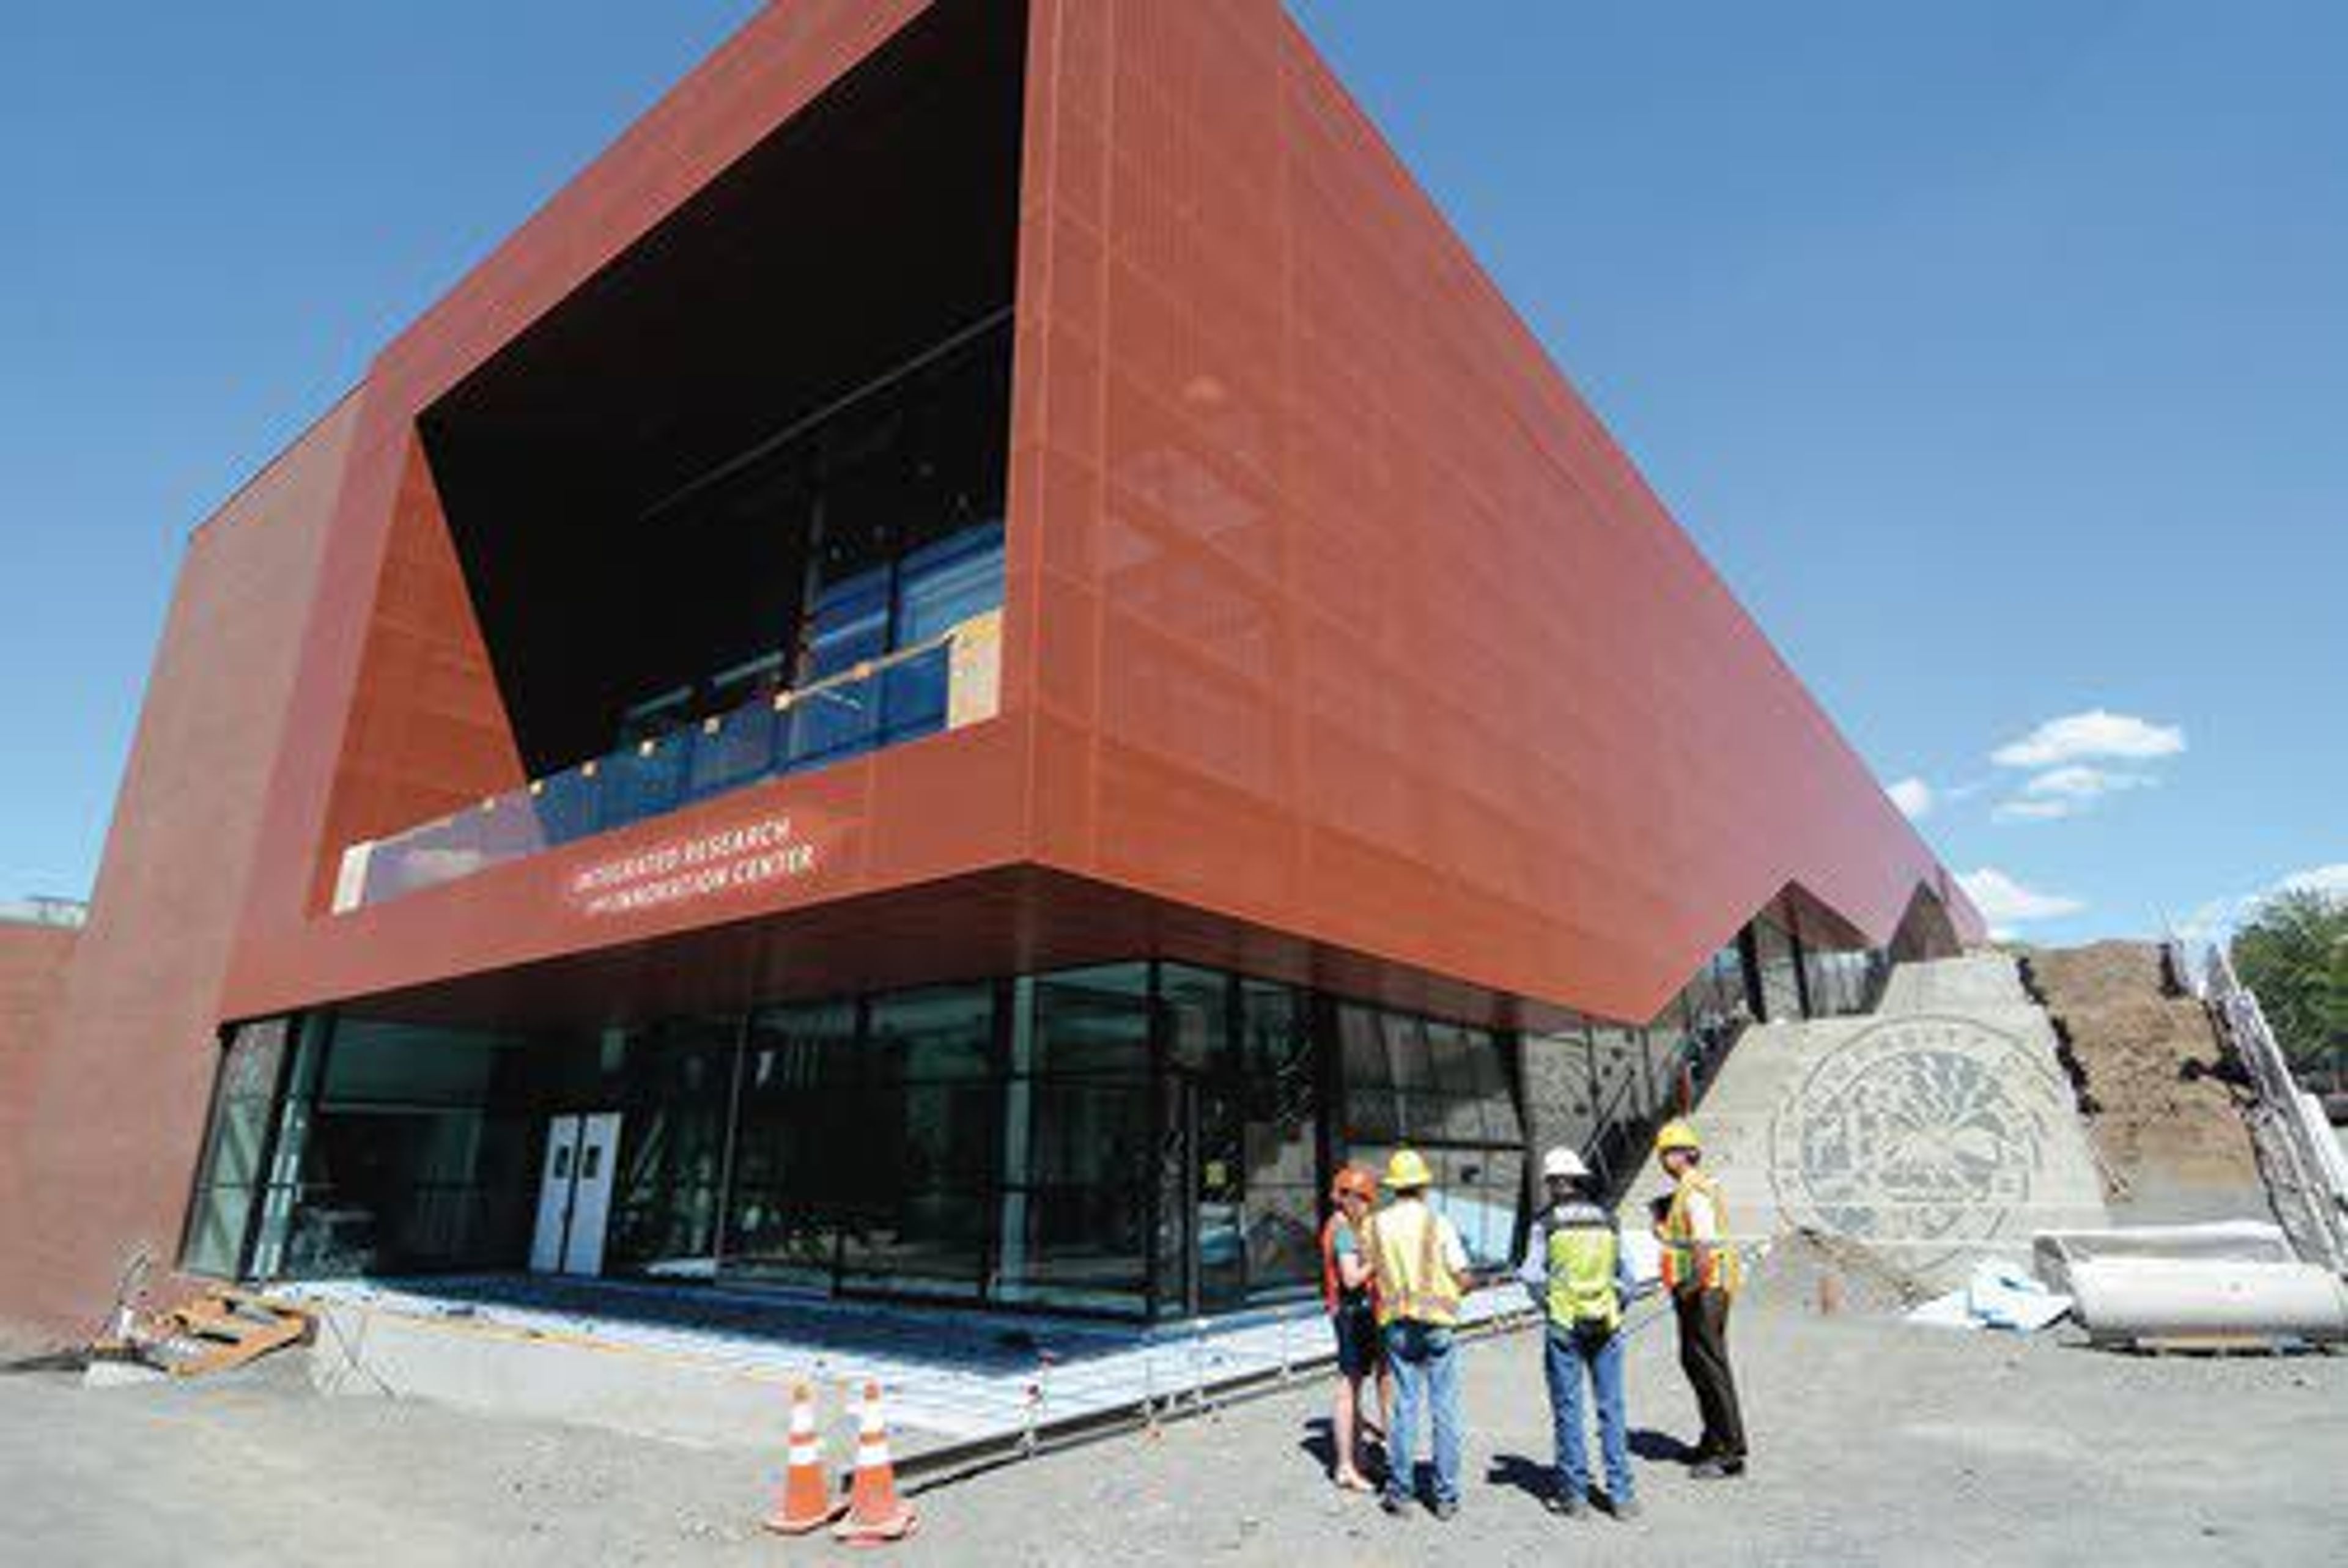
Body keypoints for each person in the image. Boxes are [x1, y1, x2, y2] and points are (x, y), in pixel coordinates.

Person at [1516, 1146, 1640, 1520]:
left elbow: (1532, 1276)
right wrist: (1614, 1306)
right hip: (1606, 1322)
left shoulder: (1545, 1223)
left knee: (1569, 1409)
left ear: (1553, 1182)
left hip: (1565, 1323)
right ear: (1580, 1179)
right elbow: (1628, 1279)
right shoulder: (1609, 1219)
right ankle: (1621, 1496)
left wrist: (1551, 1306)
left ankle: (1575, 1496)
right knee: (1612, 1408)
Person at [1362, 1147, 1473, 1520]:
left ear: (1395, 1187)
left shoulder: (1374, 1225)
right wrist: (1465, 1285)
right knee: (1444, 1408)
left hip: (1396, 1323)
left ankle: (1402, 1492)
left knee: (1404, 1408)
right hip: (1438, 1323)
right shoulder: (1437, 1222)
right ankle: (1445, 1497)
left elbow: (1369, 1270)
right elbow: (1462, 1275)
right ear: (1422, 1186)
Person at [1652, 1118, 1747, 1478]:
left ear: (1685, 1154)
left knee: (1710, 1364)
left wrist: (1690, 1286)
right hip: (1699, 1287)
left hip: (1705, 1288)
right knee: (1695, 1362)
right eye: (1663, 1153)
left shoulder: (1694, 1192)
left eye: (1668, 1153)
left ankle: (1729, 1451)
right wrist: (1663, 1229)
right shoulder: (1684, 1193)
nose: (1664, 1159)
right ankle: (1713, 1439)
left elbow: (1705, 1247)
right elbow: (1686, 1242)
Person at [1319, 1163, 1390, 1493]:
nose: (1366, 1207)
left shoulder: (1338, 1224)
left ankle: (1357, 1459)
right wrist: (1377, 1260)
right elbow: (1350, 1278)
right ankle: (1346, 1466)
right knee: (1348, 1390)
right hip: (1350, 1315)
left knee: (1354, 1389)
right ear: (1350, 1198)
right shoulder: (1345, 1230)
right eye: (1363, 1200)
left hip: (1348, 1313)